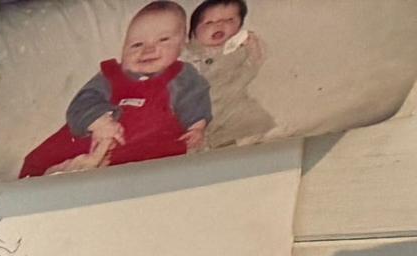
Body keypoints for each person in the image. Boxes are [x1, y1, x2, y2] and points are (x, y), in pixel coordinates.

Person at [19, 0, 212, 172]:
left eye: (163, 40)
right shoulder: (110, 76)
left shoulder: (182, 75)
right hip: (95, 141)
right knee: (46, 161)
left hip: (148, 152)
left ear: (182, 45)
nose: (148, 49)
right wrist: (99, 121)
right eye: (136, 44)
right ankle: (60, 171)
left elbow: (195, 97)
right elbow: (83, 101)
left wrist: (197, 127)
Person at [189, 0, 280, 147]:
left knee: (248, 132)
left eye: (229, 20)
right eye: (209, 22)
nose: (219, 25)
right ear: (193, 32)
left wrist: (252, 48)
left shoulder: (239, 51)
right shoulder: (190, 52)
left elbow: (253, 67)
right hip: (200, 114)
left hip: (233, 107)